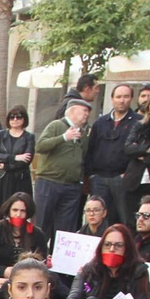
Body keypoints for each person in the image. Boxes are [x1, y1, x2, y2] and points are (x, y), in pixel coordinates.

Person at [33, 99, 91, 242]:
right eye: (83, 111)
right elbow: (40, 146)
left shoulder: (83, 134)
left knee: (66, 229)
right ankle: (35, 257)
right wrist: (64, 138)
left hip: (72, 186)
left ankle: (59, 260)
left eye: (88, 112)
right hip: (49, 182)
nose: (87, 115)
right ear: (71, 111)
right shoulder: (56, 125)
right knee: (41, 224)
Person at [84, 83, 140, 229]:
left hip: (122, 178)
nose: (122, 100)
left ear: (131, 99)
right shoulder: (100, 123)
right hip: (99, 179)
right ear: (112, 99)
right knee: (100, 220)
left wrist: (129, 174)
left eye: (126, 96)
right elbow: (91, 149)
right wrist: (91, 175)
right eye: (118, 97)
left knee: (125, 219)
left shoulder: (139, 122)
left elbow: (139, 152)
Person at [0, 192, 46, 281]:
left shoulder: (37, 234)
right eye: (15, 210)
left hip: (28, 278)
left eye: (23, 211)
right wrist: (3, 271)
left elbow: (42, 262)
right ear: (9, 210)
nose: (18, 214)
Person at [0, 106, 34, 211]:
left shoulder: (29, 137)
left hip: (19, 179)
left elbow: (26, 160)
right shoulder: (0, 134)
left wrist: (6, 165)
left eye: (18, 117)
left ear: (24, 119)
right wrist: (14, 157)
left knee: (18, 209)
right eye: (12, 117)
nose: (15, 120)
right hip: (0, 179)